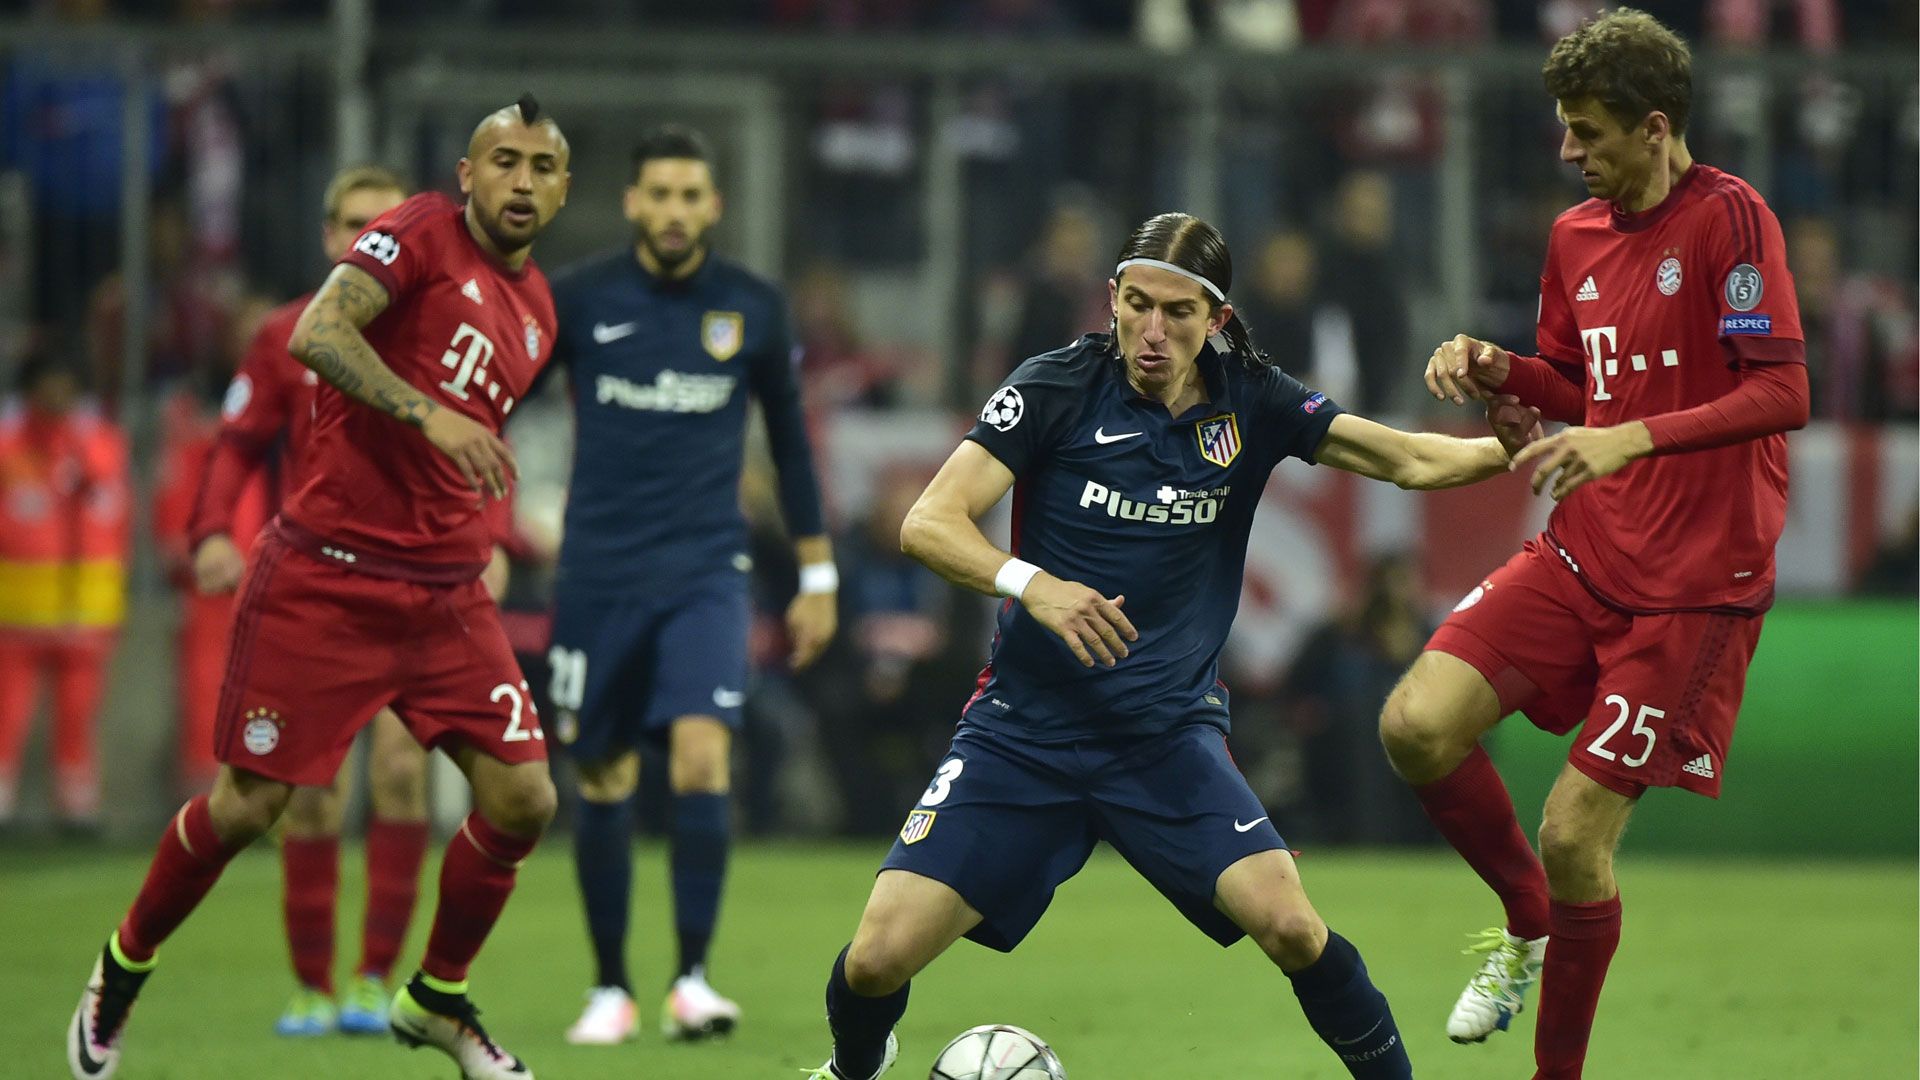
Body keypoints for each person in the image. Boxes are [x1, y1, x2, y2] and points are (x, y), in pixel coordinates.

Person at [807, 211, 1536, 1080]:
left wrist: (1511, 446)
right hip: (1023, 734)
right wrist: (1033, 585)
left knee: (1293, 927)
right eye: (1137, 305)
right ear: (1111, 298)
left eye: (1179, 313)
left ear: (1216, 320)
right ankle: (851, 1070)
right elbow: (930, 521)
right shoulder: (1056, 387)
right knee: (875, 959)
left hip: (1163, 739)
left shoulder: (1255, 401)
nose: (1153, 331)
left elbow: (1409, 460)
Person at [65, 96, 571, 1080]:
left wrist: (489, 526)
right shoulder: (419, 231)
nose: (520, 181)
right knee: (248, 808)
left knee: (522, 799)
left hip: (445, 599)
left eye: (541, 167)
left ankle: (434, 997)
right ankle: (122, 964)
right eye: (502, 161)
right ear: (466, 175)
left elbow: (477, 443)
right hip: (328, 581)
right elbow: (321, 334)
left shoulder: (538, 311)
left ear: (561, 188)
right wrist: (427, 418)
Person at [1377, 10, 1810, 1078]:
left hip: (1694, 592)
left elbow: (1784, 388)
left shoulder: (1733, 223)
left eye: (1588, 133)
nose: (1571, 153)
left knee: (1576, 835)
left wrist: (1630, 438)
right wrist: (1498, 367)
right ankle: (1526, 922)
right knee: (1416, 726)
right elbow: (1581, 383)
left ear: (1655, 129)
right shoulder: (1576, 236)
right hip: (1587, 552)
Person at [542, 124, 836, 1046]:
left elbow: (789, 444)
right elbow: (497, 402)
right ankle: (608, 988)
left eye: (689, 196)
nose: (673, 212)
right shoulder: (580, 298)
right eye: (657, 194)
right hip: (597, 572)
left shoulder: (751, 306)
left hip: (709, 569)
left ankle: (692, 980)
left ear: (713, 205)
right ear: (632, 202)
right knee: (603, 771)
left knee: (705, 755)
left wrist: (818, 572)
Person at [186, 165, 465, 1039]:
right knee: (304, 792)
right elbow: (235, 444)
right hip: (316, 589)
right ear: (326, 234)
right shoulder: (282, 337)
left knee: (397, 772)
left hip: (415, 580)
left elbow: (475, 446)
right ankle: (311, 984)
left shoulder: (438, 331)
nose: (362, 239)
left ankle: (374, 979)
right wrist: (209, 534)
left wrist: (489, 546)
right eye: (348, 223)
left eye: (376, 224)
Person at [0, 350, 129, 832]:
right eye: (48, 385)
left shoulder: (101, 445)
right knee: (6, 714)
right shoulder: (9, 447)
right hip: (17, 607)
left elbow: (117, 522)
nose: (58, 396)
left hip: (86, 606)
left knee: (79, 716)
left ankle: (76, 810)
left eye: (66, 387)